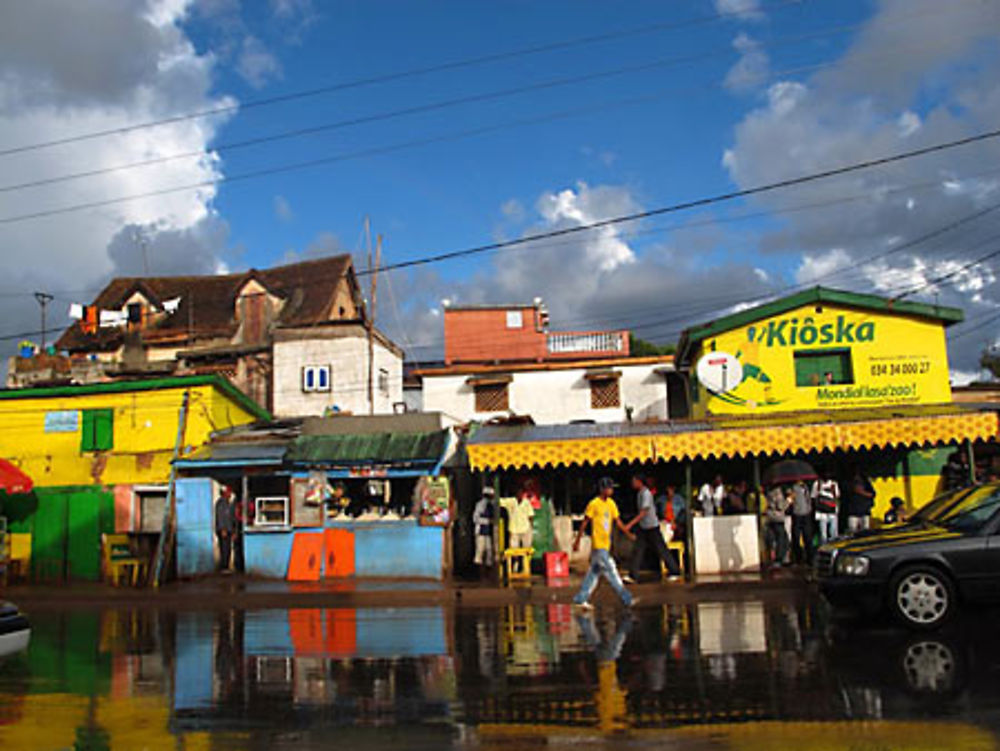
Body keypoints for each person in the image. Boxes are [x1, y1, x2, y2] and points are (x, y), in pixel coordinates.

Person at [573, 477, 637, 610]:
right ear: (602, 489)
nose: (611, 490)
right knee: (612, 571)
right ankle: (627, 598)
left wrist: (628, 534)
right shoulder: (594, 504)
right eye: (609, 488)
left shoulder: (611, 504)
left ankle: (581, 598)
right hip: (598, 545)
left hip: (605, 545)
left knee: (594, 574)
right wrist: (577, 540)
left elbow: (618, 521)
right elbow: (585, 522)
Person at [624, 475, 681, 583]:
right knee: (638, 550)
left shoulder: (646, 494)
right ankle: (633, 575)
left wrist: (631, 524)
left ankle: (675, 571)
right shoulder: (640, 494)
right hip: (643, 526)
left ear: (639, 481)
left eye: (634, 481)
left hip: (651, 526)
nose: (632, 483)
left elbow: (643, 512)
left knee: (661, 549)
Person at [789, 480, 814, 565]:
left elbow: (809, 499)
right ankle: (798, 557)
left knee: (807, 536)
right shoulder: (792, 488)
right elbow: (790, 500)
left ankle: (809, 558)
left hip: (806, 514)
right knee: (796, 536)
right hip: (797, 514)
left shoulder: (806, 487)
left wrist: (809, 509)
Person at [811, 472, 841, 545]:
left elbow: (837, 496)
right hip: (822, 513)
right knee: (823, 535)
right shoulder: (817, 484)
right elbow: (813, 496)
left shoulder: (833, 484)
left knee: (833, 534)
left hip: (832, 512)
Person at [472, 487, 497, 572]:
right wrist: (487, 521)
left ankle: (488, 568)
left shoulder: (493, 505)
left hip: (489, 532)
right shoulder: (480, 505)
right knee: (480, 549)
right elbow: (475, 518)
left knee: (489, 549)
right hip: (481, 531)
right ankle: (478, 569)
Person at [764, 486, 789, 566]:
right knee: (781, 539)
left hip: (770, 517)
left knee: (779, 538)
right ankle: (779, 559)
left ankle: (780, 558)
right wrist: (789, 500)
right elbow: (781, 506)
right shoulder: (778, 493)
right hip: (777, 518)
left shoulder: (769, 492)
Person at [214, 486, 236, 572]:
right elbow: (221, 517)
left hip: (228, 529)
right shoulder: (221, 503)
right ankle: (224, 567)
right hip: (224, 530)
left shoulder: (228, 503)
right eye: (228, 492)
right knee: (224, 549)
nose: (230, 494)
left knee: (228, 548)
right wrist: (223, 528)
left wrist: (233, 530)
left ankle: (226, 566)